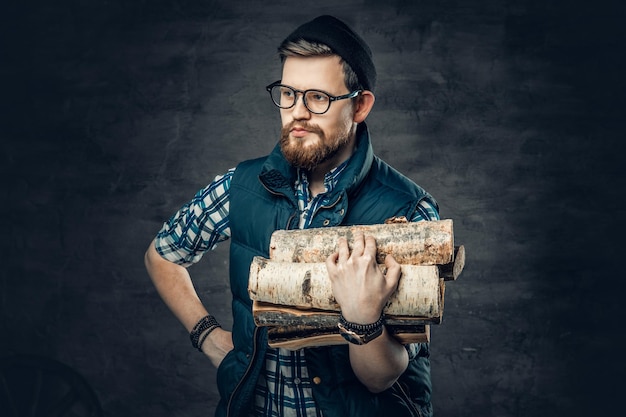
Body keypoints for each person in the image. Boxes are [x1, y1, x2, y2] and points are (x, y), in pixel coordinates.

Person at [144, 15, 440, 417]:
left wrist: (362, 316)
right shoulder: (243, 185)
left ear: (359, 105)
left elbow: (380, 378)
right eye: (288, 94)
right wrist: (209, 337)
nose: (297, 112)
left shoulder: (407, 210)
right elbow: (162, 255)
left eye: (317, 97)